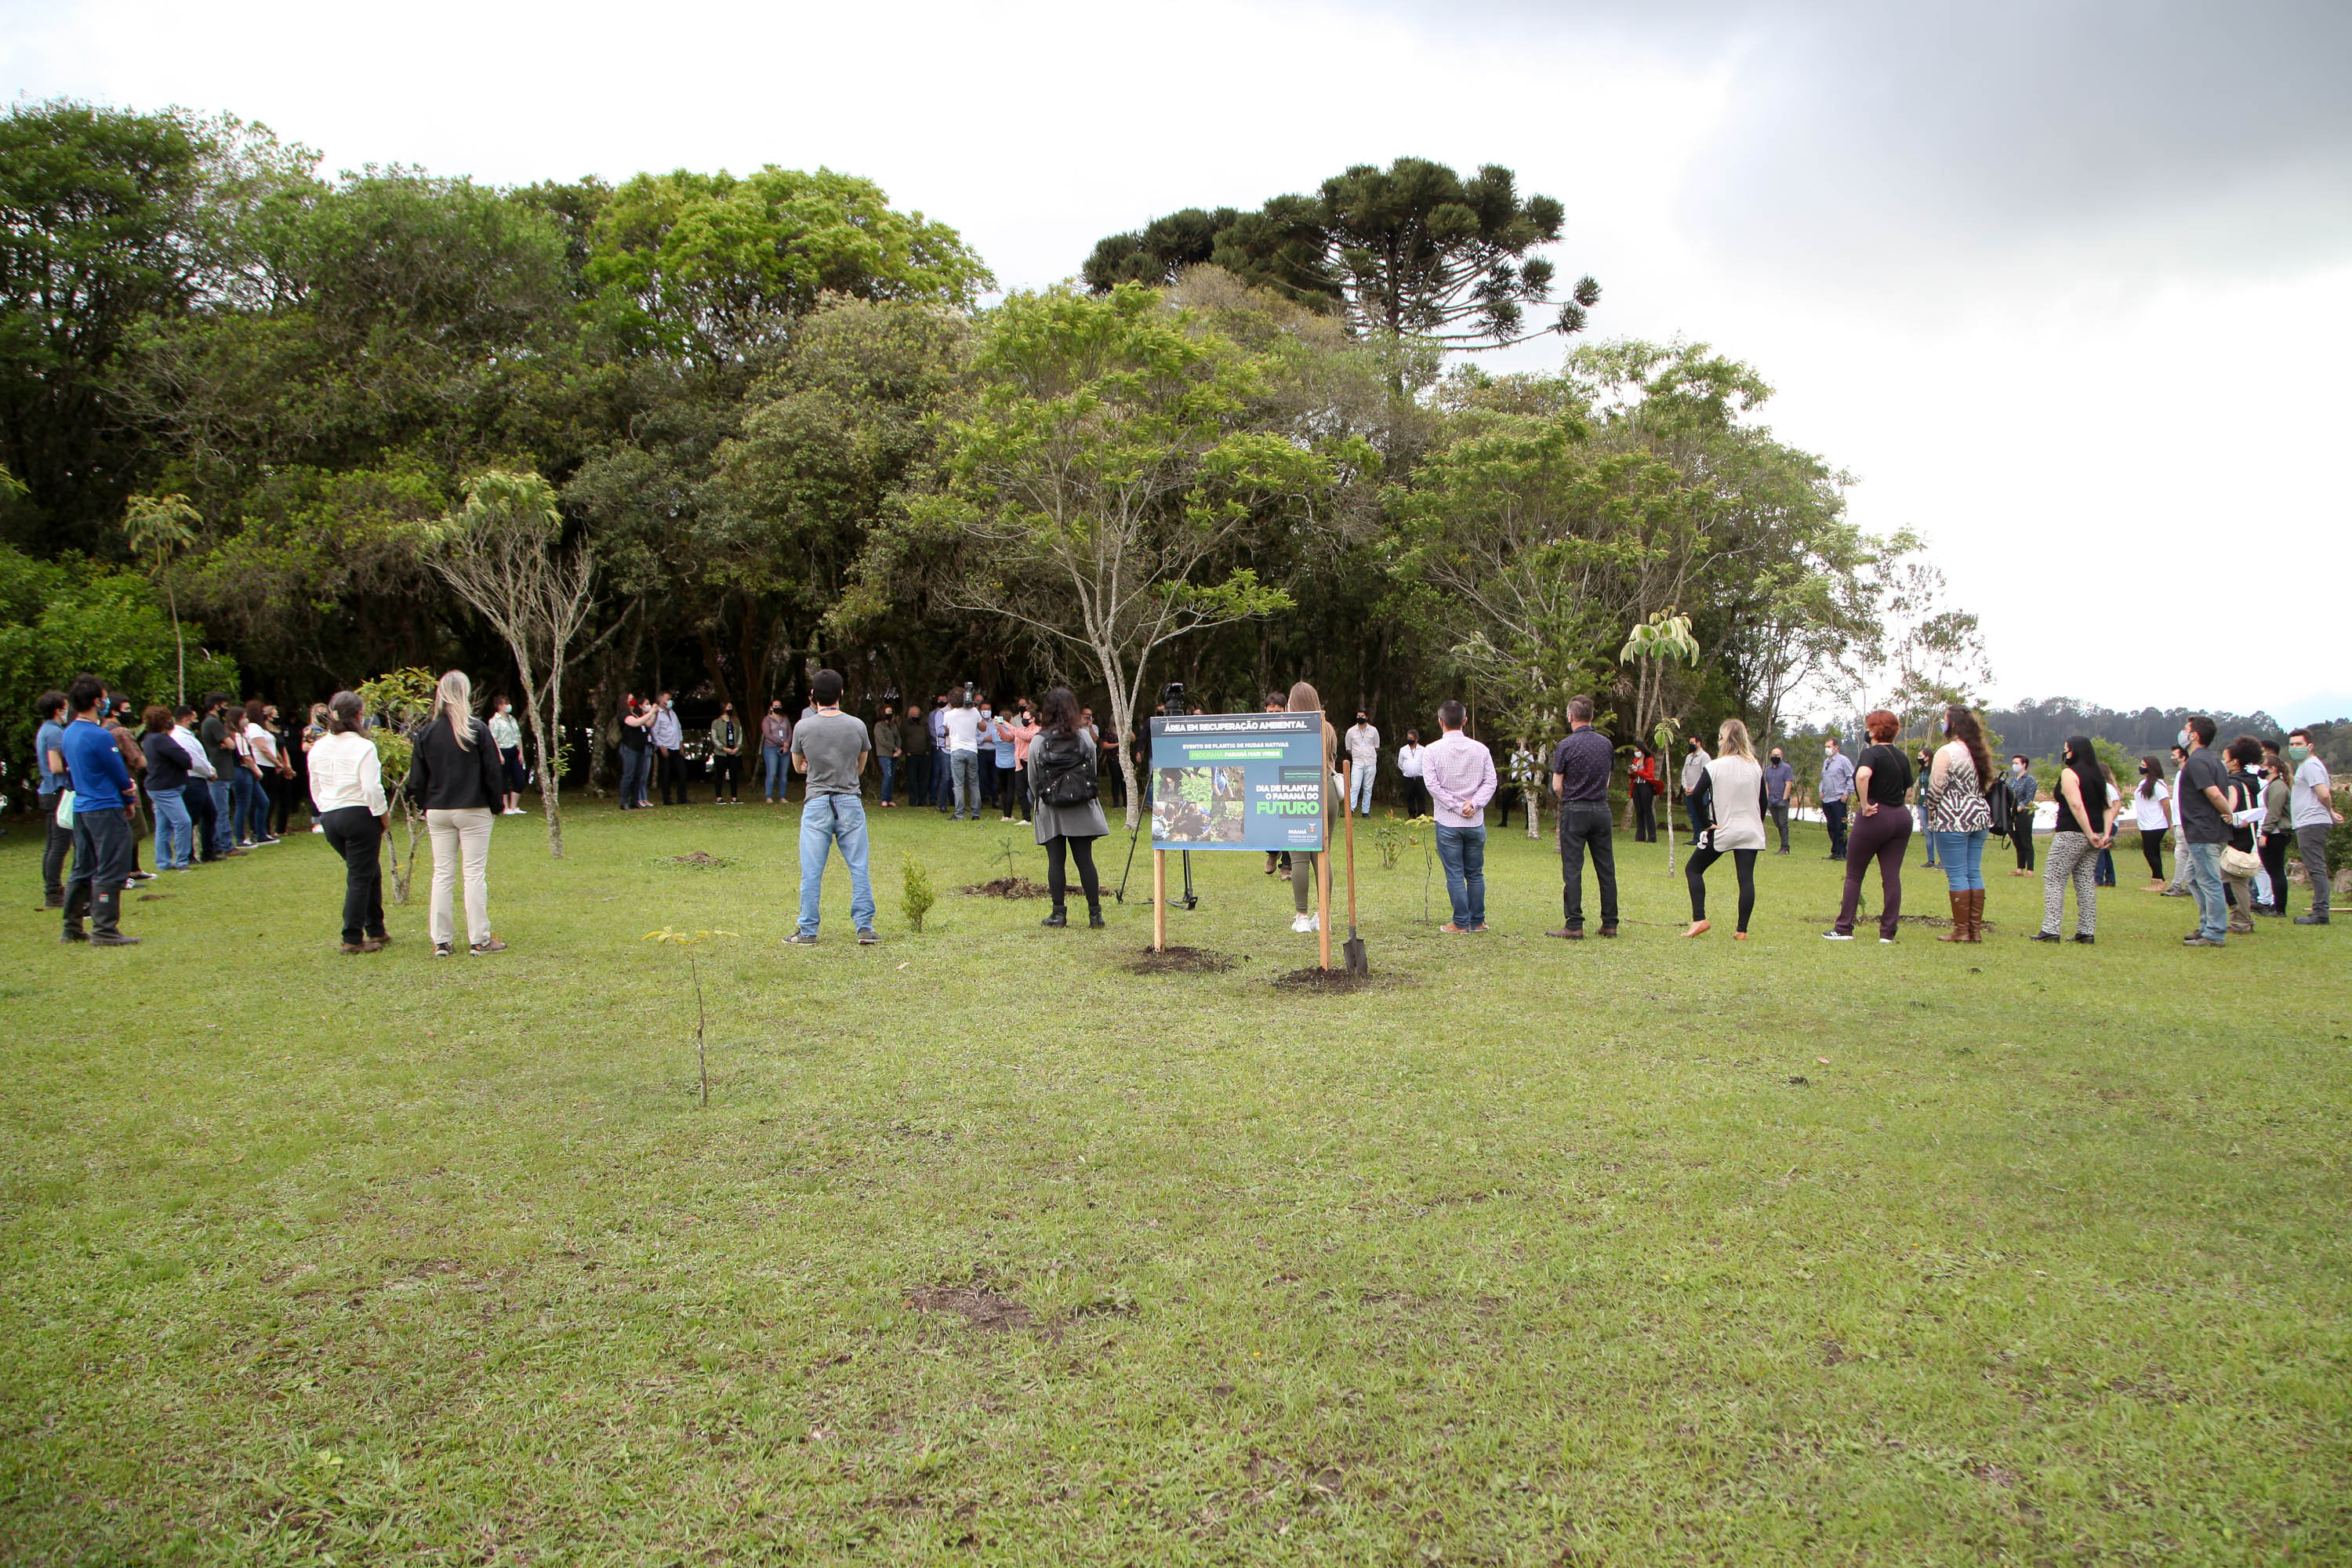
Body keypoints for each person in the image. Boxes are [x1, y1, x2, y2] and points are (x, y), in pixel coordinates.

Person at [405, 670, 510, 957]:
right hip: (472, 807)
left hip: (439, 809)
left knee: (442, 874)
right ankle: (480, 939)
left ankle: (442, 940)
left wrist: (426, 805)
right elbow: (492, 771)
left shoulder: (427, 733)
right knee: (474, 873)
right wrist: (496, 804)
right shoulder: (476, 729)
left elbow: (417, 778)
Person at [788, 668, 878, 945]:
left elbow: (797, 766)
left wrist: (812, 767)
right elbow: (860, 767)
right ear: (841, 694)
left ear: (813, 696)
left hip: (817, 802)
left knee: (812, 870)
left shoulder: (802, 727)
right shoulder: (857, 725)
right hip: (849, 801)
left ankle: (808, 930)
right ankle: (865, 927)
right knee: (859, 866)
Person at [56, 677, 140, 946]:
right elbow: (118, 773)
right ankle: (105, 929)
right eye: (104, 697)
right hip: (104, 806)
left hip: (82, 806)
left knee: (83, 866)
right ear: (96, 701)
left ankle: (72, 927)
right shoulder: (99, 735)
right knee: (111, 866)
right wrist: (128, 796)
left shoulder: (69, 732)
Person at [309, 690, 390, 953]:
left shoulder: (318, 747)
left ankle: (376, 927)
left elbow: (315, 785)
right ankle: (352, 937)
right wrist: (382, 815)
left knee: (368, 871)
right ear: (359, 715)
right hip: (358, 813)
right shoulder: (364, 746)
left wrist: (325, 809)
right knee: (359, 875)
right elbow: (371, 787)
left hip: (331, 815)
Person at [1824, 710, 1912, 943]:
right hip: (1901, 817)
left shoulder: (1870, 754)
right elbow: (1908, 787)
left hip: (1876, 815)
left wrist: (1864, 804)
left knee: (1854, 874)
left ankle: (1844, 927)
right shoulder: (1902, 757)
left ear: (1873, 730)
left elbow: (1862, 776)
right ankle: (1888, 932)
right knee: (1891, 875)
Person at [1029, 686, 1109, 928]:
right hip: (1081, 806)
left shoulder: (1038, 741)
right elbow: (1092, 771)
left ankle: (1058, 914)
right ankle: (1095, 915)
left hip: (1052, 808)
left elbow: (1033, 779)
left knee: (1056, 861)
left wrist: (1046, 798)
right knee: (1085, 861)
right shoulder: (1084, 737)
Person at [1684, 718, 1765, 938]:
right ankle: (1742, 931)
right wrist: (1758, 824)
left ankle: (1699, 919)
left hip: (1724, 829)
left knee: (1693, 869)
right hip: (1750, 830)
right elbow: (1763, 801)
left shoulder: (1715, 766)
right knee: (1746, 878)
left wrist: (1706, 824)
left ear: (1725, 740)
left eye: (1720, 737)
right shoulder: (1755, 767)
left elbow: (1697, 794)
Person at [1422, 698, 1495, 934]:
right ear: (1465, 721)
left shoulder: (1431, 751)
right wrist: (1474, 803)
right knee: (1475, 873)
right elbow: (1491, 781)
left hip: (1448, 821)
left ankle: (1462, 923)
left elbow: (1432, 786)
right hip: (1474, 820)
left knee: (1454, 873)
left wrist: (1456, 805)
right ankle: (1478, 921)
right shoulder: (1481, 749)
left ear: (1440, 722)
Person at [1548, 694, 1617, 940]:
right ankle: (1610, 923)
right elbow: (1607, 780)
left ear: (1570, 717)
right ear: (1592, 717)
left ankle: (1574, 923)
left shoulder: (1566, 745)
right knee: (1606, 868)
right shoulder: (1606, 744)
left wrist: (1571, 797)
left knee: (1573, 868)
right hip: (1601, 809)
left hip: (1575, 809)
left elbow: (1557, 785)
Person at [2033, 736, 2115, 943]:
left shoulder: (2070, 773)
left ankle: (2051, 928)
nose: (2065, 753)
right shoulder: (2098, 775)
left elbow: (2076, 805)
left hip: (2071, 832)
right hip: (2094, 834)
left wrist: (2087, 832)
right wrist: (2103, 834)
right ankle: (2086, 931)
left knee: (2054, 877)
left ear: (2074, 751)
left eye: (2066, 750)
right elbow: (2108, 807)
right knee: (2085, 880)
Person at [1925, 705, 1994, 943]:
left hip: (1952, 816)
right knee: (1973, 872)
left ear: (1952, 724)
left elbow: (1936, 787)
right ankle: (1974, 930)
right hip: (1979, 815)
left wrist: (1932, 809)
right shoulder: (1979, 752)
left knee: (1956, 874)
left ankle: (1961, 929)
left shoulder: (1948, 752)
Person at [1283, 682, 1345, 934]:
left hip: (1299, 789)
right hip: (1328, 789)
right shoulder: (1327, 728)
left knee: (1298, 856)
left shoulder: (1291, 728)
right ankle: (1324, 916)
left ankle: (1302, 916)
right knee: (1323, 853)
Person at [2175, 715, 2235, 947]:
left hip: (2204, 830)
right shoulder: (2214, 761)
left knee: (2210, 881)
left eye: (2186, 729)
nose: (2182, 733)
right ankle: (2206, 925)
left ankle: (2214, 933)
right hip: (2202, 830)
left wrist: (2229, 812)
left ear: (2194, 735)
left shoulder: (2197, 761)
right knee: (2193, 878)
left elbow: (2214, 793)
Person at [2286, 726, 2341, 924]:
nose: (2294, 748)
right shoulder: (2307, 765)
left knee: (2316, 867)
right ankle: (2320, 910)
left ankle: (2320, 913)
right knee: (2315, 866)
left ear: (2310, 746)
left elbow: (2324, 793)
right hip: (2308, 822)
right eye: (2292, 744)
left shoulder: (2310, 765)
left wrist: (2330, 811)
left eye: (2299, 744)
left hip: (2312, 822)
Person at [138, 706, 196, 872]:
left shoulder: (149, 738)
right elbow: (185, 759)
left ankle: (163, 862)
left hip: (158, 787)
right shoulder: (161, 740)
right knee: (183, 822)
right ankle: (182, 861)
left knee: (163, 826)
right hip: (166, 788)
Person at [2220, 736, 2264, 936]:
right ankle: (2243, 919)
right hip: (2248, 835)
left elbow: (2230, 809)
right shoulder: (2251, 782)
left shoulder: (2233, 784)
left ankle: (2241, 921)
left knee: (2232, 880)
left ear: (2234, 761)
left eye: (2225, 758)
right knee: (2240, 880)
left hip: (2235, 836)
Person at [34, 690, 71, 908]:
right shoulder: (55, 733)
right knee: (59, 845)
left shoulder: (45, 730)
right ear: (59, 710)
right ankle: (54, 892)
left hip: (48, 791)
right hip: (58, 791)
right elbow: (56, 766)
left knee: (53, 845)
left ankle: (53, 890)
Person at [172, 705, 223, 862]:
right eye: (194, 719)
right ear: (186, 719)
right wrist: (209, 773)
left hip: (199, 779)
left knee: (210, 814)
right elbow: (194, 760)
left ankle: (208, 851)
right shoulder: (181, 736)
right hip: (193, 779)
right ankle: (188, 854)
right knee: (192, 818)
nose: (196, 722)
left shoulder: (187, 735)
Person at [199, 694, 242, 847]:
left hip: (221, 770)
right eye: (224, 705)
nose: (227, 709)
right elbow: (231, 745)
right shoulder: (213, 723)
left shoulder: (208, 722)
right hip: (221, 771)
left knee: (219, 809)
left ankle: (218, 844)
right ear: (216, 706)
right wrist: (227, 744)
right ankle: (226, 845)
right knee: (221, 811)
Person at [1260, 692, 1294, 877]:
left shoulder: (1292, 729)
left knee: (1287, 819)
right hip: (1267, 780)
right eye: (1270, 711)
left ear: (1285, 711)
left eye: (1278, 711)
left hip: (1287, 779)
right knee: (1269, 819)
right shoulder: (1259, 730)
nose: (1273, 714)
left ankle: (1287, 864)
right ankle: (1272, 854)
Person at [2127, 754, 2174, 891]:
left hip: (2156, 824)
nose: (2141, 767)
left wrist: (2169, 822)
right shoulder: (2143, 783)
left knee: (2149, 852)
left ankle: (2159, 881)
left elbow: (2165, 804)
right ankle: (2158, 880)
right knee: (2154, 852)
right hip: (2145, 823)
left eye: (2144, 765)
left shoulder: (2158, 785)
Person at [2259, 742, 2294, 916]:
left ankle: (2279, 908)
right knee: (2275, 871)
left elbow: (2274, 812)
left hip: (2277, 832)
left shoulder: (2278, 787)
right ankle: (2277, 905)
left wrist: (2265, 832)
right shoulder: (2275, 785)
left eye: (2263, 767)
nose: (2261, 770)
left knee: (2276, 871)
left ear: (2272, 769)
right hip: (2277, 831)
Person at [942, 690, 983, 821]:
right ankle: (975, 813)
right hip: (972, 750)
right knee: (974, 782)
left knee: (958, 784)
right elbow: (983, 727)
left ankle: (959, 813)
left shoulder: (948, 714)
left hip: (957, 750)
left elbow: (946, 730)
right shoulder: (974, 712)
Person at [488, 695, 528, 814]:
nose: (507, 706)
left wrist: (521, 752)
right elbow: (493, 739)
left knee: (520, 779)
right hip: (502, 750)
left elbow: (518, 736)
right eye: (505, 703)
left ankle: (514, 806)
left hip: (514, 750)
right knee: (503, 779)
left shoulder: (512, 719)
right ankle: (504, 807)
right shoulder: (494, 721)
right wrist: (499, 755)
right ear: (499, 706)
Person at [1819, 735, 1855, 860]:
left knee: (1841, 827)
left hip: (1838, 798)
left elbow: (1852, 777)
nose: (1827, 749)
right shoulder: (1826, 762)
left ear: (1836, 748)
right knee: (1831, 826)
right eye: (1826, 747)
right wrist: (1821, 791)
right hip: (1827, 799)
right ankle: (1835, 851)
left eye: (1829, 747)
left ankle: (1842, 853)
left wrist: (1846, 793)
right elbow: (1823, 778)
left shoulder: (1843, 761)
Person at [1003, 699, 1039, 823]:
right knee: (1020, 791)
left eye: (1026, 717)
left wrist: (1007, 725)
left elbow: (1027, 738)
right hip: (1020, 764)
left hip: (1031, 764)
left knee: (1035, 791)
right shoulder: (1020, 729)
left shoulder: (1038, 730)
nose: (1023, 719)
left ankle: (1041, 815)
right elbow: (1008, 738)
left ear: (1033, 719)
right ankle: (1026, 818)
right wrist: (999, 727)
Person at [649, 691, 686, 805]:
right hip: (665, 747)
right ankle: (667, 799)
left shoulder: (673, 713)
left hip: (675, 747)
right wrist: (661, 746)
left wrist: (681, 745)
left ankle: (682, 798)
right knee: (666, 774)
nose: (670, 701)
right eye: (667, 699)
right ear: (661, 701)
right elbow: (654, 732)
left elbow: (678, 729)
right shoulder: (657, 714)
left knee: (682, 772)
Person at [616, 695, 653, 808]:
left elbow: (648, 724)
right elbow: (636, 723)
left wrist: (653, 713)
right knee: (629, 775)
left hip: (640, 749)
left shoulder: (635, 714)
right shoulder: (624, 715)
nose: (633, 700)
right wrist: (651, 712)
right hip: (629, 749)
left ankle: (635, 800)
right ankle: (624, 801)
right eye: (630, 698)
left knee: (638, 775)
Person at [2006, 756, 2039, 875]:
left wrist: (2018, 808)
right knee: (2017, 841)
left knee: (2026, 841)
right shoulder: (2013, 780)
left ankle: (2030, 870)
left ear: (2024, 764)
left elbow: (2029, 798)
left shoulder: (2029, 780)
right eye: (2013, 762)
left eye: (2017, 763)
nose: (2014, 765)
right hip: (2013, 814)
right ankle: (2020, 869)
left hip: (2025, 813)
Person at [991, 701, 1023, 821]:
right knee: (1011, 789)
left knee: (1003, 790)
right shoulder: (1012, 732)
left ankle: (1005, 814)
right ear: (1010, 719)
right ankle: (1009, 814)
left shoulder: (995, 732)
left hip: (999, 763)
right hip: (1012, 764)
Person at [1345, 710, 1380, 815]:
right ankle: (1350, 810)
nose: (1360, 717)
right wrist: (1357, 754)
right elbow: (1348, 748)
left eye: (1362, 716)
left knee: (1368, 788)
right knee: (1355, 786)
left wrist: (1368, 754)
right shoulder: (1351, 731)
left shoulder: (1373, 731)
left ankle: (1365, 811)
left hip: (1371, 762)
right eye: (1358, 716)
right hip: (1357, 763)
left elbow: (1376, 747)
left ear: (1367, 717)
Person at [710, 702, 744, 804]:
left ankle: (734, 797)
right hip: (721, 753)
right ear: (724, 709)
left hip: (735, 753)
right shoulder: (716, 723)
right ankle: (719, 797)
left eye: (731, 707)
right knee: (720, 775)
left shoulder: (736, 722)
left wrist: (737, 748)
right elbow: (714, 738)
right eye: (729, 707)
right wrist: (723, 748)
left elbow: (740, 735)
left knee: (734, 775)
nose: (731, 709)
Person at [1679, 735, 1712, 843]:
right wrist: (1685, 786)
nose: (1691, 745)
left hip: (1700, 792)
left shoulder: (1705, 757)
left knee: (1701, 814)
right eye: (1690, 743)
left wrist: (1695, 788)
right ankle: (1696, 837)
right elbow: (1684, 773)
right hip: (1689, 792)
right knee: (1692, 815)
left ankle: (1703, 838)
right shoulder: (1688, 757)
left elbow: (1705, 775)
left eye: (1693, 743)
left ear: (1699, 743)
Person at [759, 699, 792, 804]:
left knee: (783, 774)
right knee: (772, 773)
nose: (778, 708)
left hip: (785, 749)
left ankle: (782, 796)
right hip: (771, 749)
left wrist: (786, 744)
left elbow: (790, 733)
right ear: (771, 708)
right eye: (776, 706)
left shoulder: (785, 719)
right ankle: (769, 796)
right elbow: (768, 735)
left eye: (779, 706)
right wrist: (781, 743)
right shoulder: (767, 720)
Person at [1500, 742, 1537, 831]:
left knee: (1528, 800)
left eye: (1520, 743)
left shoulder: (1528, 754)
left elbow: (1532, 766)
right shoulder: (1514, 754)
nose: (1518, 744)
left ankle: (1529, 824)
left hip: (1525, 778)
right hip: (1515, 778)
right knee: (1506, 798)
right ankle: (1504, 822)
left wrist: (1529, 777)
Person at [1764, 746, 1795, 854]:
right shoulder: (1768, 770)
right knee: (1778, 824)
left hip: (1782, 801)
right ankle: (1784, 846)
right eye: (1773, 755)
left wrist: (1784, 799)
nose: (1775, 756)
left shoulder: (1786, 768)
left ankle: (1785, 847)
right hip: (1772, 801)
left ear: (1782, 756)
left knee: (1783, 824)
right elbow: (1767, 785)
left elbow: (1788, 784)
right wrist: (1767, 799)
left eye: (1777, 755)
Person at [1628, 744, 1660, 843]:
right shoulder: (1636, 761)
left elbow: (1649, 775)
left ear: (1642, 750)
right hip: (1637, 786)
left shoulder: (1649, 760)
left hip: (1646, 786)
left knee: (1647, 811)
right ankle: (1640, 836)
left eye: (1637, 750)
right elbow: (1634, 776)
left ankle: (1652, 837)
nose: (1636, 752)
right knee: (1639, 811)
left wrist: (1639, 771)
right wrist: (1631, 773)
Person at [1915, 747, 1940, 869]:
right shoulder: (1922, 770)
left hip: (1932, 804)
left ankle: (1942, 860)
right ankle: (1931, 860)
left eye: (1921, 755)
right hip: (1922, 802)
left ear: (1928, 757)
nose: (1919, 758)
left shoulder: (1933, 770)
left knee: (1936, 831)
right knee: (1927, 832)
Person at [1396, 728, 1428, 820]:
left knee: (1421, 796)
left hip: (1420, 777)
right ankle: (1411, 815)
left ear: (1416, 739)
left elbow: (1426, 763)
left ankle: (1422, 815)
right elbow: (1400, 764)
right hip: (1408, 778)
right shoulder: (1403, 750)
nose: (1409, 739)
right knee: (1409, 796)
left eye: (1411, 738)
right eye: (1408, 738)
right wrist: (1406, 772)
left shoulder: (1423, 749)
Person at [872, 704, 901, 807]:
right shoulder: (879, 726)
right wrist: (894, 748)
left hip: (894, 754)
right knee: (887, 775)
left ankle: (889, 799)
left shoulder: (893, 725)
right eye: (888, 712)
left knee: (892, 776)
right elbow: (882, 741)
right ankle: (884, 799)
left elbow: (898, 737)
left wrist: (898, 748)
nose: (890, 714)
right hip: (884, 753)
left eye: (891, 712)